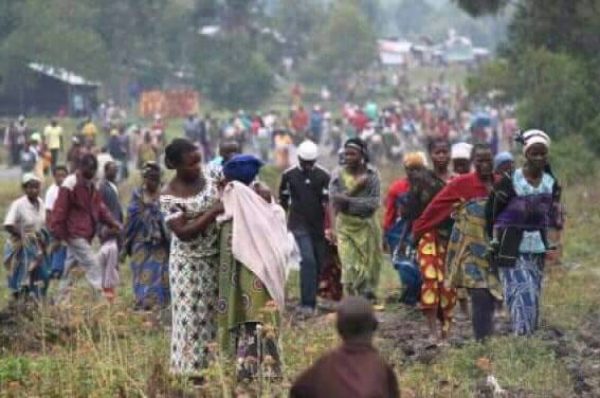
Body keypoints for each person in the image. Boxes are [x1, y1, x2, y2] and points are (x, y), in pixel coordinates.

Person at [217, 154, 295, 379]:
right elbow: (277, 230)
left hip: (240, 274)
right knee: (260, 319)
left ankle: (247, 368)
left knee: (249, 320)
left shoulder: (229, 199)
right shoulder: (256, 199)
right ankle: (267, 370)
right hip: (260, 270)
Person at [416, 144, 498, 341]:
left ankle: (489, 333)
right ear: (474, 162)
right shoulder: (462, 184)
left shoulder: (502, 183)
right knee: (479, 292)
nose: (485, 165)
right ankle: (482, 341)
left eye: (488, 160)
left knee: (491, 295)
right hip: (471, 249)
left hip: (496, 248)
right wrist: (419, 229)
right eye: (480, 161)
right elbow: (438, 206)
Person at [486, 130, 562, 336]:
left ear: (546, 156)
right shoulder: (510, 181)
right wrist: (493, 240)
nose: (538, 158)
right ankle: (522, 339)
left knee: (533, 293)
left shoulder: (550, 183)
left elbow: (555, 217)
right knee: (521, 292)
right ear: (525, 155)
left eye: (542, 154)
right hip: (511, 246)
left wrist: (554, 244)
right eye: (534, 153)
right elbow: (492, 212)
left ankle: (527, 336)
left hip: (537, 246)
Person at [159, 138, 223, 382]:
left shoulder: (212, 175)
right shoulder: (168, 196)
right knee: (191, 321)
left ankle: (216, 370)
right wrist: (212, 212)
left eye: (198, 160)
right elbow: (183, 233)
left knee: (216, 316)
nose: (197, 167)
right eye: (190, 163)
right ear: (175, 165)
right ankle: (191, 376)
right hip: (187, 265)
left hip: (216, 259)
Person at [290, 296, 399, 398]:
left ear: (339, 328)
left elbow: (297, 391)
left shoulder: (326, 364)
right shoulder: (380, 367)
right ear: (374, 326)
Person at [50, 154, 122, 300]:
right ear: (81, 167)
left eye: (94, 168)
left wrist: (112, 222)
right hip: (74, 233)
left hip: (86, 232)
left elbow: (100, 207)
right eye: (89, 168)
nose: (92, 171)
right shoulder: (70, 184)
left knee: (70, 270)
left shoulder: (91, 184)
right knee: (93, 264)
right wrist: (57, 235)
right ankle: (103, 301)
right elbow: (60, 210)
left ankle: (60, 301)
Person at [279, 140, 330, 315]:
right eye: (304, 163)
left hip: (318, 226)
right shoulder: (289, 176)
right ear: (299, 159)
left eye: (311, 163)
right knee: (307, 260)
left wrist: (331, 227)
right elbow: (283, 202)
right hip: (298, 224)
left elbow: (328, 204)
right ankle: (307, 303)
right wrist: (282, 226)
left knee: (318, 262)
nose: (307, 166)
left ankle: (312, 299)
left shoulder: (324, 176)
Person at [329, 138, 383, 300]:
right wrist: (356, 189)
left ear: (363, 155)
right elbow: (334, 199)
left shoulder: (372, 175)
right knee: (349, 265)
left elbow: (373, 203)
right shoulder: (337, 174)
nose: (348, 157)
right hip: (346, 225)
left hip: (368, 226)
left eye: (352, 154)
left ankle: (365, 297)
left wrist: (347, 201)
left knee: (371, 265)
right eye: (346, 154)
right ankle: (352, 300)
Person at [124, 162, 170, 311]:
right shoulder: (137, 196)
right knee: (141, 272)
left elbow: (170, 217)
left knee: (160, 273)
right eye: (149, 179)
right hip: (141, 242)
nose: (152, 182)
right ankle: (142, 302)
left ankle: (159, 304)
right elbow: (131, 217)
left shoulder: (165, 194)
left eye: (155, 179)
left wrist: (158, 216)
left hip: (160, 244)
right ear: (144, 179)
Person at [3, 174, 49, 300]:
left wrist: (43, 244)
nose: (34, 190)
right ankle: (19, 305)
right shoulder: (18, 204)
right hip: (19, 245)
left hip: (36, 244)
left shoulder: (41, 203)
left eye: (36, 187)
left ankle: (37, 301)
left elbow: (41, 225)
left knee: (43, 275)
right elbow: (8, 224)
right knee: (21, 278)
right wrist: (23, 235)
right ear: (25, 188)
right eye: (30, 187)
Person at [98, 161, 124, 300]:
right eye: (112, 170)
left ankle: (110, 292)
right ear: (105, 171)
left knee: (113, 261)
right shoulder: (103, 188)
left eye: (116, 170)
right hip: (108, 229)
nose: (114, 173)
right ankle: (108, 293)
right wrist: (103, 229)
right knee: (109, 259)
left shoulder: (113, 186)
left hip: (115, 228)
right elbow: (99, 209)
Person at [44, 165, 69, 279]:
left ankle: (59, 269)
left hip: (66, 225)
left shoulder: (68, 189)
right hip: (55, 225)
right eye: (58, 176)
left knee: (63, 247)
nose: (61, 178)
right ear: (54, 177)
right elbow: (48, 211)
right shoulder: (52, 191)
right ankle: (55, 270)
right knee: (56, 246)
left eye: (64, 176)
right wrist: (51, 227)